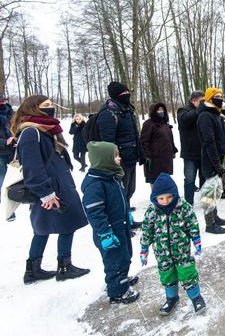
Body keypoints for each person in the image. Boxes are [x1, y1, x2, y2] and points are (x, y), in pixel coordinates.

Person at [11, 95, 89, 284]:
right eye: (45, 105)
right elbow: (32, 167)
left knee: (42, 227)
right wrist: (46, 193)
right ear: (33, 108)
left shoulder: (44, 129)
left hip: (56, 184)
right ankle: (64, 267)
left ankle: (33, 269)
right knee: (67, 223)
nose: (50, 107)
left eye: (51, 104)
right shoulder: (31, 132)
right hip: (50, 188)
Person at [82, 141, 139, 304]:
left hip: (120, 226)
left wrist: (127, 214)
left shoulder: (112, 177)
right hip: (108, 232)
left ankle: (122, 278)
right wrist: (105, 233)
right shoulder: (95, 184)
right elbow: (95, 212)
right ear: (104, 159)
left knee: (125, 255)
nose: (119, 158)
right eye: (115, 156)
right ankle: (117, 292)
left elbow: (121, 200)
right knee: (115, 262)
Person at [140, 173, 206, 315]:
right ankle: (171, 298)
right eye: (161, 198)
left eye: (169, 197)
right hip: (162, 253)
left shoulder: (183, 208)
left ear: (174, 194)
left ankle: (196, 297)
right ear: (155, 197)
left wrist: (196, 240)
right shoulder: (152, 211)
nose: (165, 201)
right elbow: (146, 231)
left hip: (181, 251)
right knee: (167, 274)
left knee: (187, 273)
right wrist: (144, 248)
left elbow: (192, 224)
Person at [97, 81, 144, 214]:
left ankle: (127, 214)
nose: (127, 94)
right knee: (120, 192)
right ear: (116, 95)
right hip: (120, 161)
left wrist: (141, 153)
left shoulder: (128, 109)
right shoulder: (108, 113)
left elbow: (134, 135)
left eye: (128, 92)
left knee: (130, 190)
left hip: (131, 157)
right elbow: (108, 142)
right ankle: (122, 220)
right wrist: (114, 160)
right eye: (124, 93)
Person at [196, 88, 225, 234]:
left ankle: (215, 217)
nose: (220, 98)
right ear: (210, 98)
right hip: (210, 160)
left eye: (221, 96)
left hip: (218, 158)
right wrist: (216, 164)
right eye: (217, 96)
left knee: (215, 190)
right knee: (209, 193)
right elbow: (209, 142)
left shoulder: (215, 114)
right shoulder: (205, 116)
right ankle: (210, 224)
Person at [177, 90, 205, 206]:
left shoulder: (203, 111)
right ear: (194, 101)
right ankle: (189, 204)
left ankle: (205, 202)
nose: (203, 103)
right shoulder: (183, 110)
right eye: (201, 101)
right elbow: (184, 120)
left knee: (204, 179)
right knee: (189, 179)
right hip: (189, 153)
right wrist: (199, 109)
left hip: (203, 151)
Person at [140, 103, 178, 187]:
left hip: (166, 159)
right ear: (153, 111)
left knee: (165, 182)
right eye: (158, 110)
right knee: (156, 184)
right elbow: (143, 141)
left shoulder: (165, 124)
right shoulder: (148, 124)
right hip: (154, 161)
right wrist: (147, 155)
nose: (161, 112)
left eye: (162, 109)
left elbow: (170, 139)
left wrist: (173, 150)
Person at [0, 94, 16, 221]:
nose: (3, 103)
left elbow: (18, 128)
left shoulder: (12, 114)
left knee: (17, 179)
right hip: (1, 153)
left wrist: (18, 138)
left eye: (4, 100)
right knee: (2, 180)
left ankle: (30, 201)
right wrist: (5, 142)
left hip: (14, 151)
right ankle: (8, 209)